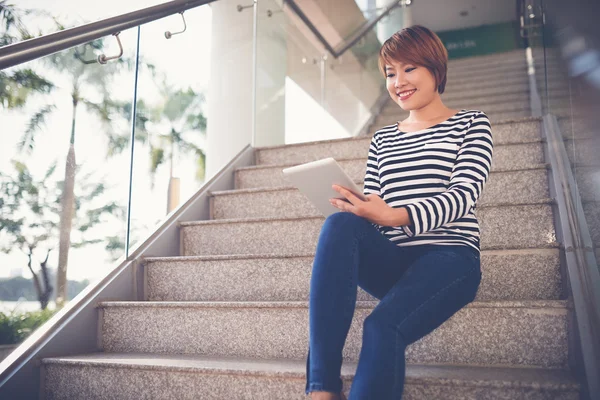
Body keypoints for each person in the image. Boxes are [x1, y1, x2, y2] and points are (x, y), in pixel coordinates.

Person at [305, 25, 494, 400]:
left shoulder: (472, 124)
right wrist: (361, 209)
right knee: (340, 223)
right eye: (390, 73)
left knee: (380, 326)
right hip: (395, 261)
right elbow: (376, 201)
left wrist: (396, 216)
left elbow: (463, 194)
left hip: (450, 259)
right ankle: (321, 388)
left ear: (435, 69)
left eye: (409, 69)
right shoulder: (383, 138)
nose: (398, 81)